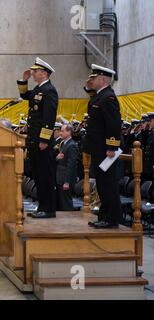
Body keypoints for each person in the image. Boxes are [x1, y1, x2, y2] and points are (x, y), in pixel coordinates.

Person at [17, 57, 58, 218]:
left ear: (44, 73)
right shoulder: (39, 89)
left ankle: (48, 209)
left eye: (35, 71)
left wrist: (44, 140)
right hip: (34, 140)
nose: (33, 73)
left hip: (42, 142)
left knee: (45, 175)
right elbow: (26, 95)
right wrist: (23, 80)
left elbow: (49, 118)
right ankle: (42, 206)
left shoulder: (49, 90)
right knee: (38, 176)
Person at [83, 64, 122, 229]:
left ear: (103, 79)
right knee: (102, 184)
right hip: (98, 148)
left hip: (105, 150)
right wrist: (89, 88)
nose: (92, 80)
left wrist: (112, 147)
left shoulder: (109, 98)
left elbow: (113, 124)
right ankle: (104, 215)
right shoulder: (100, 96)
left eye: (94, 78)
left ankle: (111, 218)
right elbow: (93, 106)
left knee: (107, 184)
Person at [55, 124, 79, 211]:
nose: (60, 133)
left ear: (69, 132)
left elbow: (71, 165)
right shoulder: (64, 143)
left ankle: (69, 221)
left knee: (66, 203)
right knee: (61, 202)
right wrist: (57, 158)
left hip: (65, 178)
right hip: (60, 177)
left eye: (62, 131)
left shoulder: (72, 145)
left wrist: (67, 182)